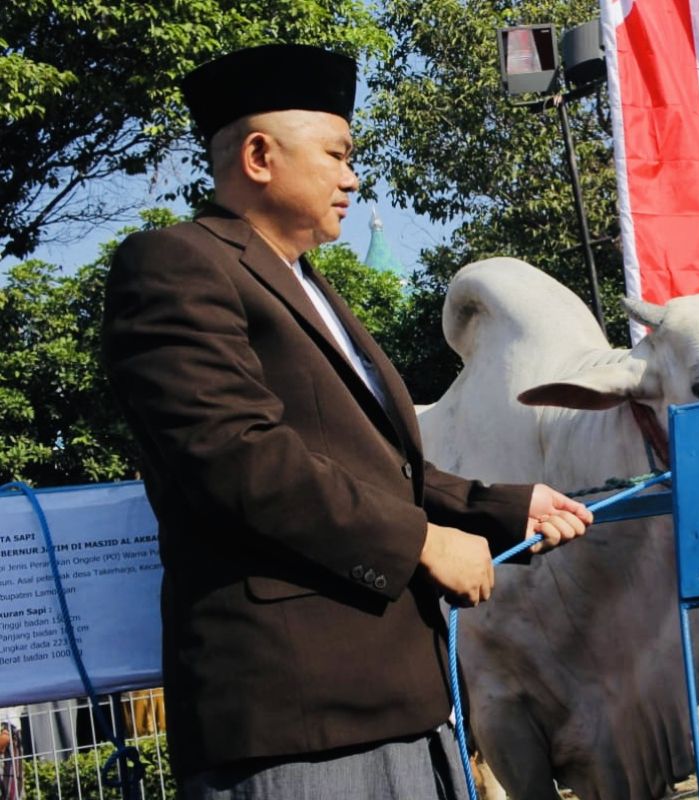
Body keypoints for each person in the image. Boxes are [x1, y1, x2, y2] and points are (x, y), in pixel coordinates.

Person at [100, 44, 592, 799]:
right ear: (260, 155)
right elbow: (235, 459)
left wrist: (497, 506)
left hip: (403, 702)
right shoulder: (174, 265)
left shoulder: (312, 290)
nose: (352, 177)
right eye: (336, 153)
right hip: (296, 717)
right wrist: (422, 542)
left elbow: (376, 467)